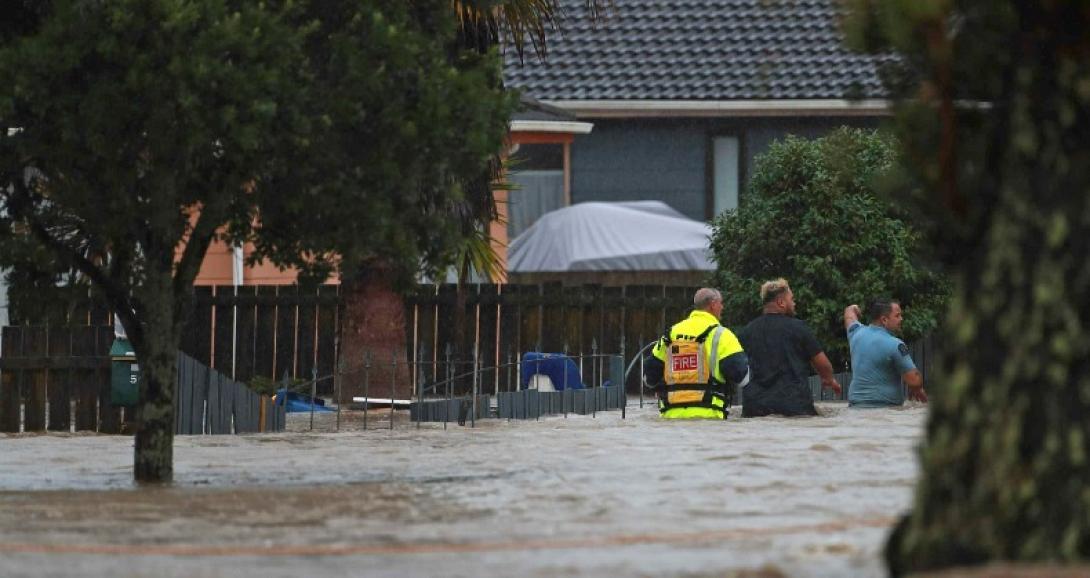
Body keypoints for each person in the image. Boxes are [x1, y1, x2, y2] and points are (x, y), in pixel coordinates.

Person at [738, 278, 842, 417]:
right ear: (781, 302)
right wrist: (828, 379)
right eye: (791, 299)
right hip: (794, 408)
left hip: (755, 409)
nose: (794, 303)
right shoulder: (799, 328)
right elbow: (823, 364)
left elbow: (738, 367)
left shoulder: (746, 332)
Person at [643, 287, 750, 419]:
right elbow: (743, 378)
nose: (722, 307)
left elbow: (648, 379)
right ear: (713, 304)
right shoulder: (722, 335)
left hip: (670, 419)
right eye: (721, 303)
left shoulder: (671, 334)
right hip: (710, 417)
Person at [843, 299, 928, 407]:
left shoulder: (855, 333)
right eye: (897, 316)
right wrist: (918, 387)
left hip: (855, 410)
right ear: (884, 320)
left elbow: (849, 315)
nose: (901, 319)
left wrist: (853, 307)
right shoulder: (895, 345)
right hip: (886, 412)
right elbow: (914, 380)